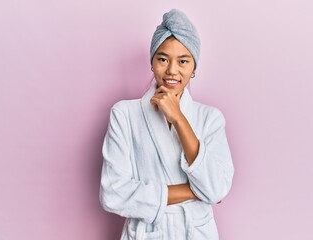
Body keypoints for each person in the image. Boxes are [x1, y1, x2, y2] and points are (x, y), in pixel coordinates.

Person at [100, 9, 234, 240]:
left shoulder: (210, 118)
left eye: (183, 61)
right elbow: (112, 194)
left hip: (196, 232)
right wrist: (194, 191)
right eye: (163, 59)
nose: (172, 70)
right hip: (148, 233)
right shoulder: (124, 114)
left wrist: (179, 119)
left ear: (194, 68)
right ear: (151, 62)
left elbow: (217, 189)